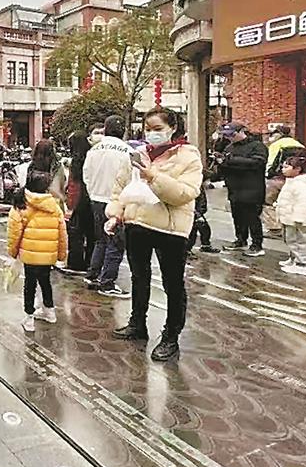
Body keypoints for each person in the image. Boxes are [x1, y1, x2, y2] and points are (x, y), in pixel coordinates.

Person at [109, 107, 202, 362]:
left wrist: (153, 176)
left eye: (158, 129)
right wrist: (116, 214)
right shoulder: (138, 153)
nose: (152, 134)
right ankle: (137, 323)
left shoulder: (188, 156)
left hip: (170, 229)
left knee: (173, 284)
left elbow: (185, 193)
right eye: (148, 129)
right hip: (137, 224)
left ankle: (171, 336)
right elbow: (120, 187)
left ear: (173, 128)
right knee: (139, 277)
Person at [8, 170, 68, 327]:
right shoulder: (54, 207)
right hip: (48, 256)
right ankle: (50, 312)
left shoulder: (21, 205)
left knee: (30, 285)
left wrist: (13, 253)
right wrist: (61, 255)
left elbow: (14, 234)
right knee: (45, 282)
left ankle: (29, 318)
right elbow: (63, 234)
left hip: (29, 255)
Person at [83, 116, 132, 298]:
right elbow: (131, 179)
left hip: (96, 199)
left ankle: (93, 274)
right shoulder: (127, 151)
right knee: (116, 243)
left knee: (100, 240)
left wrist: (93, 192)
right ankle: (108, 282)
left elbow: (86, 175)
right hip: (116, 202)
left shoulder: (94, 150)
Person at [217, 122, 268, 257]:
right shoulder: (229, 147)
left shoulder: (257, 146)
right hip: (234, 188)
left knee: (252, 218)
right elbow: (224, 166)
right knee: (237, 217)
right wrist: (221, 163)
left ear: (241, 131)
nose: (229, 138)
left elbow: (258, 163)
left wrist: (232, 160)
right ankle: (240, 240)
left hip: (252, 188)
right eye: (226, 136)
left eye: (232, 135)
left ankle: (257, 244)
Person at [275, 155, 306, 277]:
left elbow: (305, 203)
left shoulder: (303, 184)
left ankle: (302, 264)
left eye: (287, 167)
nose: (283, 169)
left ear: (297, 169)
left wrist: (299, 218)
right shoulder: (292, 182)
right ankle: (293, 259)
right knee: (290, 240)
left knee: (298, 241)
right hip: (288, 217)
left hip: (295, 219)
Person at [63, 129, 96, 272]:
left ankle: (76, 263)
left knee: (76, 234)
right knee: (92, 234)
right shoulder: (93, 156)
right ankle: (91, 262)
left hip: (80, 201)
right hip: (93, 198)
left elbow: (74, 185)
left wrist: (70, 205)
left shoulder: (76, 161)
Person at [27, 139, 67, 209]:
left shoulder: (31, 166)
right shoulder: (57, 167)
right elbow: (58, 189)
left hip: (34, 204)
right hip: (53, 205)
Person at [186, 184, 220, 257]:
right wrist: (197, 214)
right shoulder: (191, 183)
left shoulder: (198, 184)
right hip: (191, 210)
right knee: (193, 230)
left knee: (204, 228)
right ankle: (187, 249)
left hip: (196, 210)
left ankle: (205, 245)